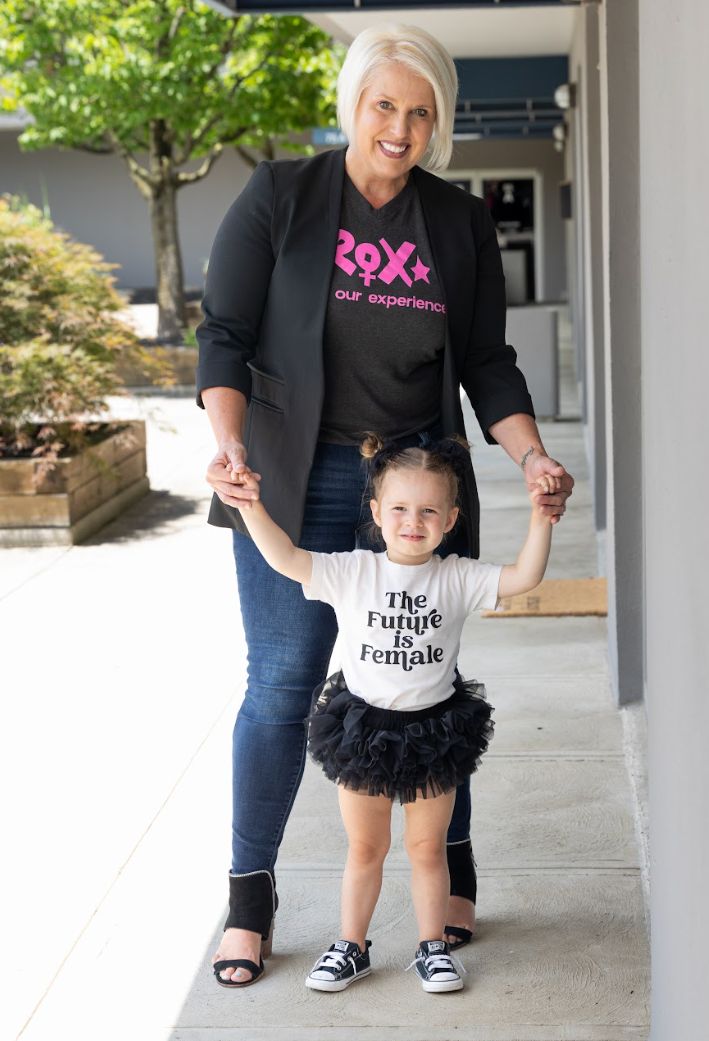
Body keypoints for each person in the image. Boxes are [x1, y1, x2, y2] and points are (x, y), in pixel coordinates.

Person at [197, 23, 575, 988]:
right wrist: (226, 441)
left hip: (408, 486)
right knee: (282, 684)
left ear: (438, 121)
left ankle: (446, 873)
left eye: (420, 111)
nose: (400, 128)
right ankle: (248, 901)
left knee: (423, 676)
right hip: (290, 470)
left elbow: (487, 361)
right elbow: (225, 334)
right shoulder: (280, 195)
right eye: (384, 106)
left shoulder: (456, 222)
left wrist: (529, 453)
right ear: (352, 105)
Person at [212, 435, 554, 992]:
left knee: (426, 849)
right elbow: (286, 558)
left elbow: (523, 577)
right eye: (398, 508)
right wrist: (250, 506)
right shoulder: (351, 571)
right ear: (375, 512)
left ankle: (432, 948)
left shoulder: (458, 576)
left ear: (450, 518)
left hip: (434, 733)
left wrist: (542, 519)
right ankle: (351, 945)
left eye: (427, 511)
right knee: (365, 848)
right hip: (363, 731)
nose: (412, 521)